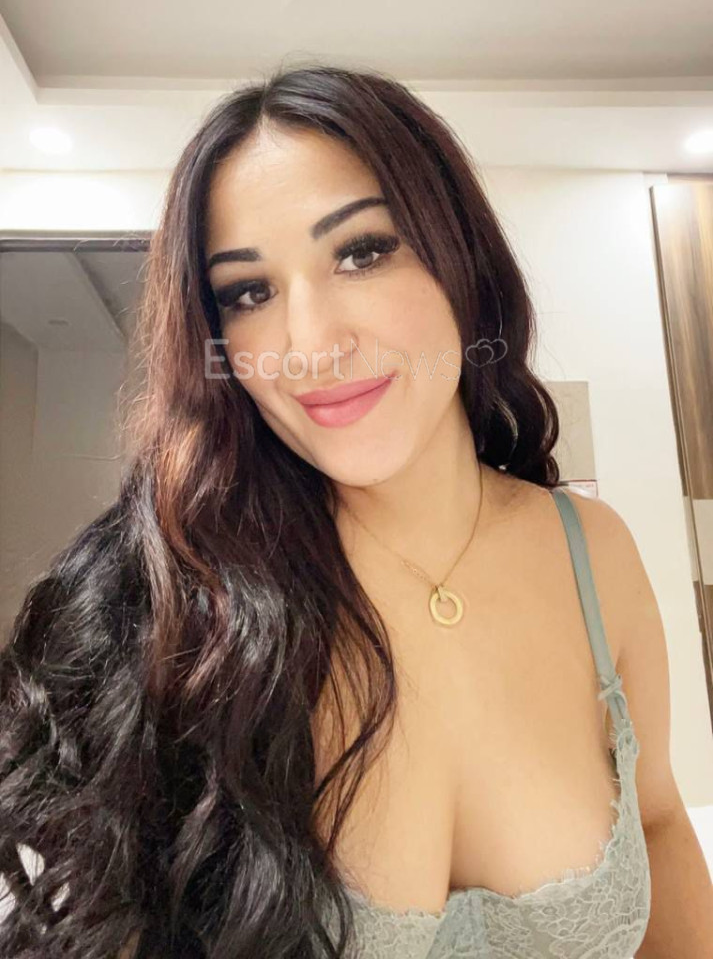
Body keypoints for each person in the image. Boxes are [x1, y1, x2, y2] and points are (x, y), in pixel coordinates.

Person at [1, 62, 711, 959]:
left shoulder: (590, 551)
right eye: (248, 292)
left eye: (361, 252)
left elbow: (656, 822)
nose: (308, 345)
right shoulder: (169, 607)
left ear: (460, 259)